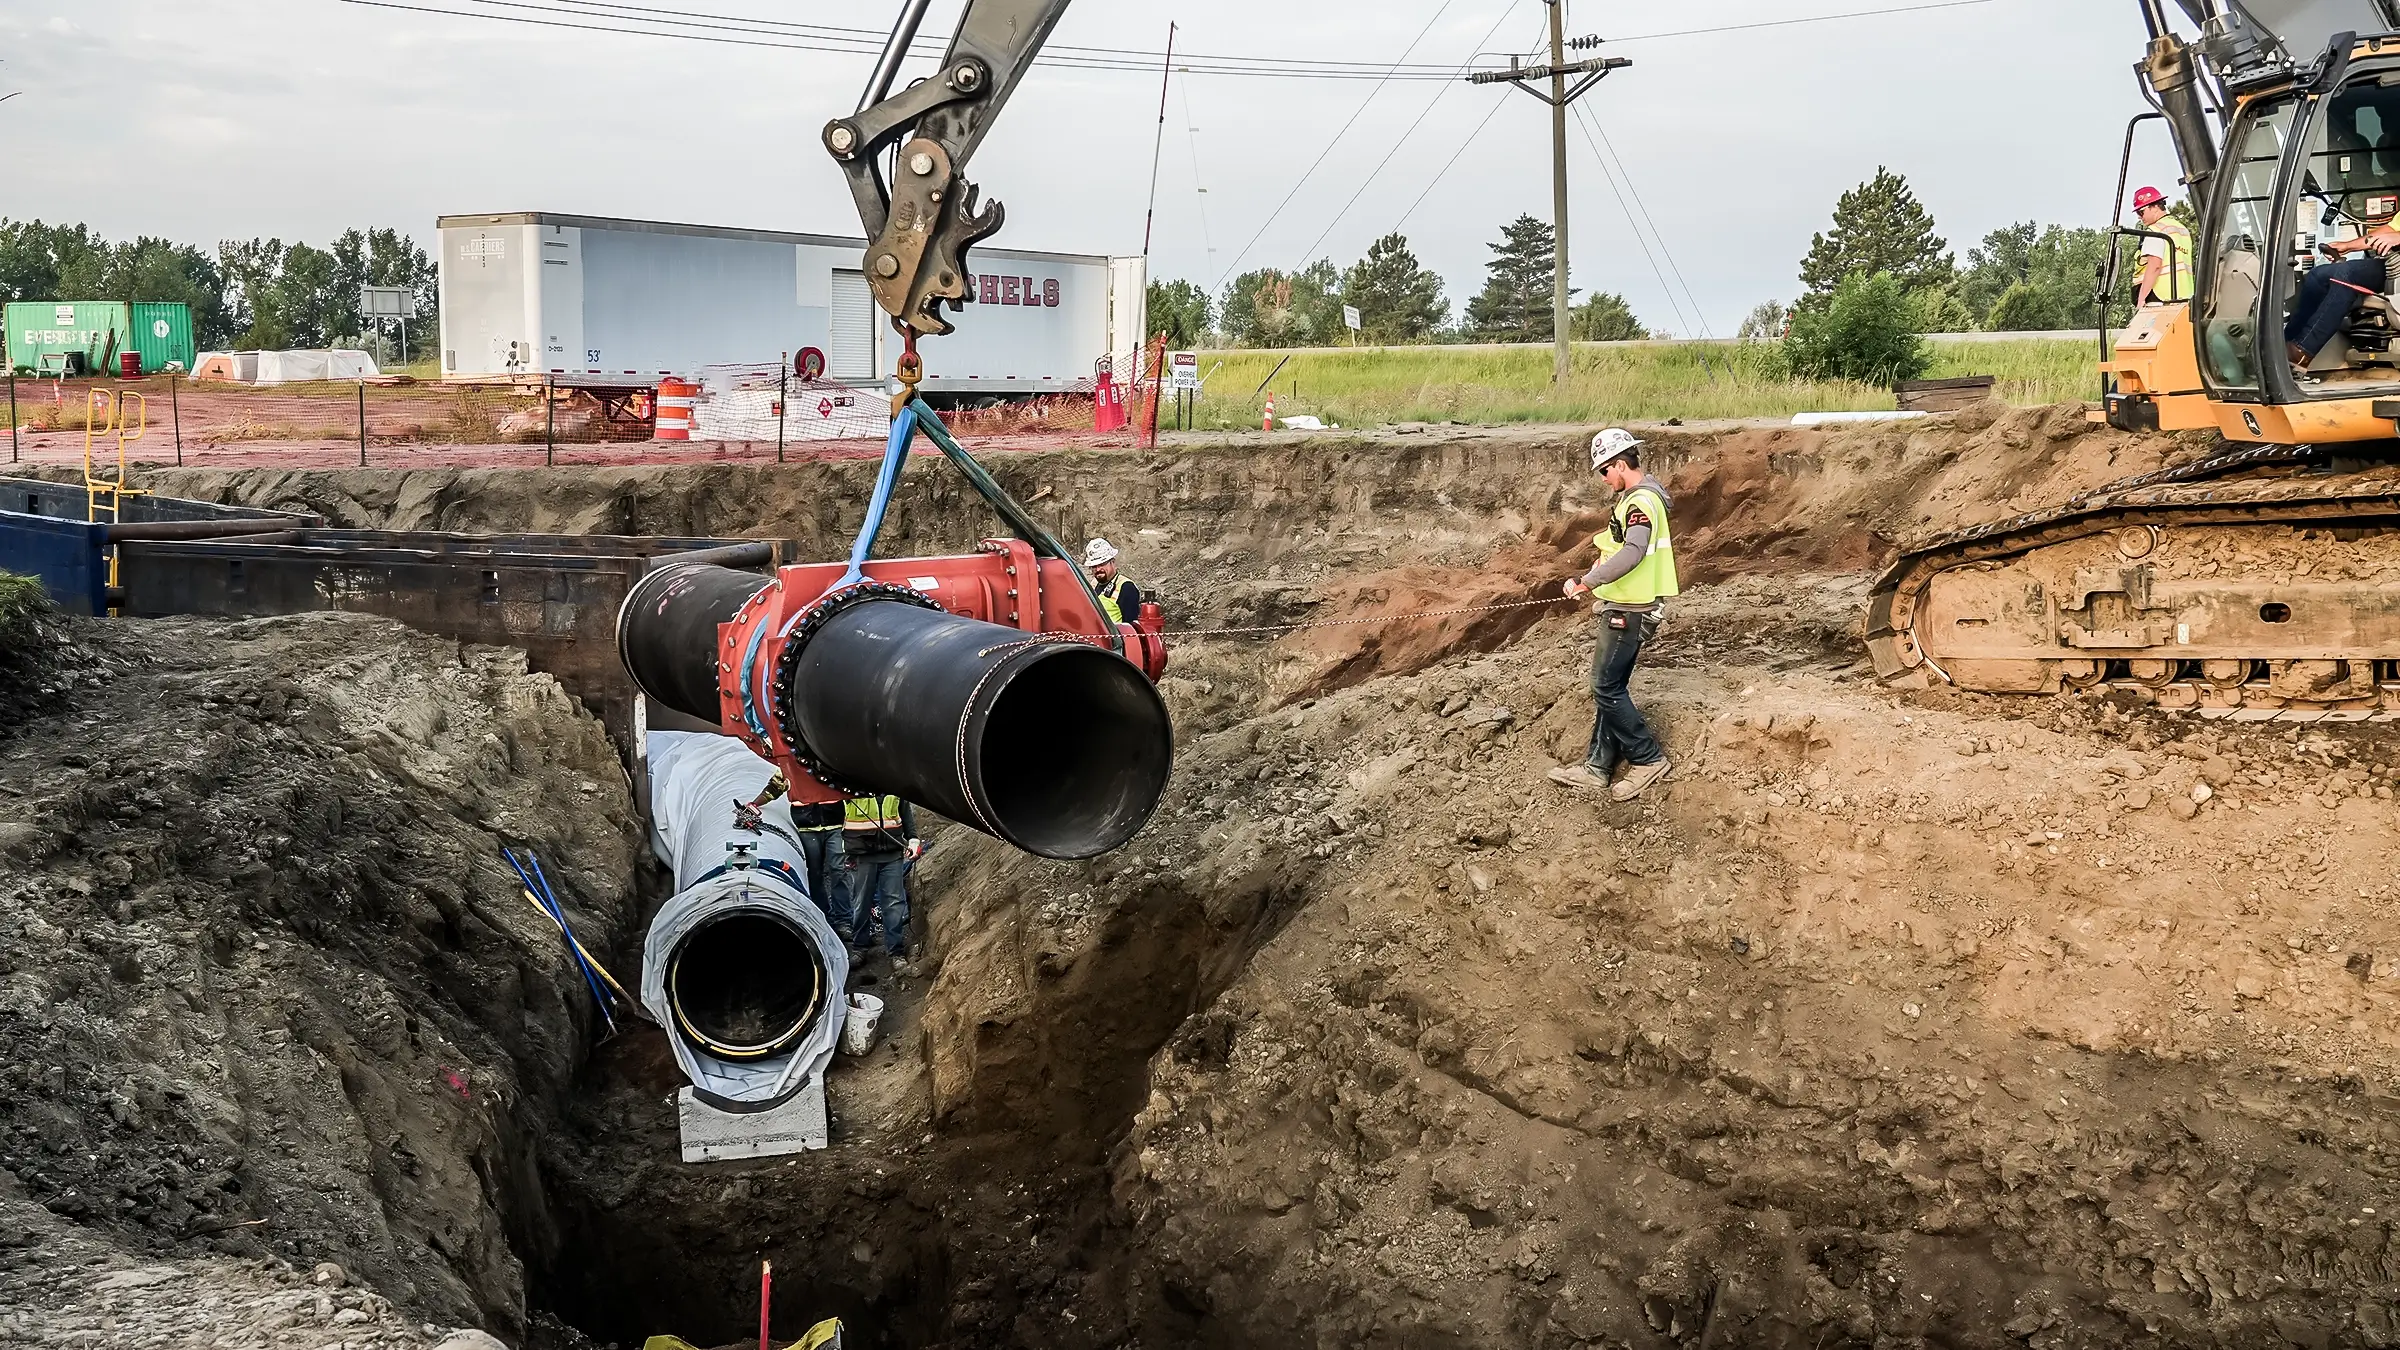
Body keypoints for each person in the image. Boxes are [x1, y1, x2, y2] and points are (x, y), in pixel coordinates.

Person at [1546, 428, 1679, 803]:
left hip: (1631, 608)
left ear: (1621, 464)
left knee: (1605, 687)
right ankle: (1597, 766)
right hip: (1627, 603)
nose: (1603, 479)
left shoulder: (1640, 503)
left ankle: (1648, 757)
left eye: (1604, 471)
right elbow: (1619, 547)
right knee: (1612, 686)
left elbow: (1633, 552)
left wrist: (1588, 581)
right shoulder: (1639, 498)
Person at [737, 769, 849, 932]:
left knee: (839, 871)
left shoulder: (827, 756)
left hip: (835, 824)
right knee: (814, 874)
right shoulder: (790, 763)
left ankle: (844, 920)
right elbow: (774, 788)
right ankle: (824, 918)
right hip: (808, 826)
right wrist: (755, 804)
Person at [2286, 214, 2400, 373]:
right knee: (2318, 275)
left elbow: (2395, 235)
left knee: (2347, 276)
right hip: (2394, 263)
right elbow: (2389, 230)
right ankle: (2285, 343)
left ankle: (2303, 351)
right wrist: (2348, 246)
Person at [840, 792, 924, 974]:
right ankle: (860, 948)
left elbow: (906, 816)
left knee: (893, 903)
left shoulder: (893, 785)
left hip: (891, 853)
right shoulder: (849, 788)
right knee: (861, 902)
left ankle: (896, 952)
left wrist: (914, 840)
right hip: (862, 855)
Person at [2129, 186, 2194, 308]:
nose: (2139, 216)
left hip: (2160, 297)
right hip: (2185, 296)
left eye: (2140, 212)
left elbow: (2155, 266)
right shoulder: (2182, 229)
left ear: (2154, 207)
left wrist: (2141, 298)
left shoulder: (2155, 231)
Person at [1082, 538, 1145, 625]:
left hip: (1114, 637)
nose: (1098, 569)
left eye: (1102, 564)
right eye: (1094, 566)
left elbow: (1131, 629)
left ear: (1113, 562)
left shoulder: (1126, 588)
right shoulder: (1094, 584)